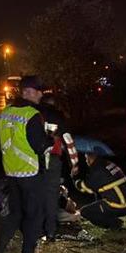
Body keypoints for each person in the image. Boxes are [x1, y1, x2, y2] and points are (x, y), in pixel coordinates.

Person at [0, 76, 53, 253]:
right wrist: (50, 140)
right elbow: (39, 146)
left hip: (11, 171)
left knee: (14, 214)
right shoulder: (32, 115)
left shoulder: (5, 113)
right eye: (39, 91)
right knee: (34, 217)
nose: (41, 95)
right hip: (31, 173)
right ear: (29, 92)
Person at [38, 94, 79, 241]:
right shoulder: (58, 117)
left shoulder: (35, 114)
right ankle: (50, 231)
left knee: (36, 193)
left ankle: (36, 228)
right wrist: (74, 163)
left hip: (35, 160)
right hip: (53, 161)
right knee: (51, 197)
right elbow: (68, 141)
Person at [75, 153, 126, 228]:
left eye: (86, 158)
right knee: (98, 193)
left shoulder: (97, 170)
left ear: (89, 159)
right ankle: (109, 216)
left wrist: (75, 177)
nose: (86, 161)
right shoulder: (108, 163)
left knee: (85, 212)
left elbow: (85, 188)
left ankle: (115, 224)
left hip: (120, 205)